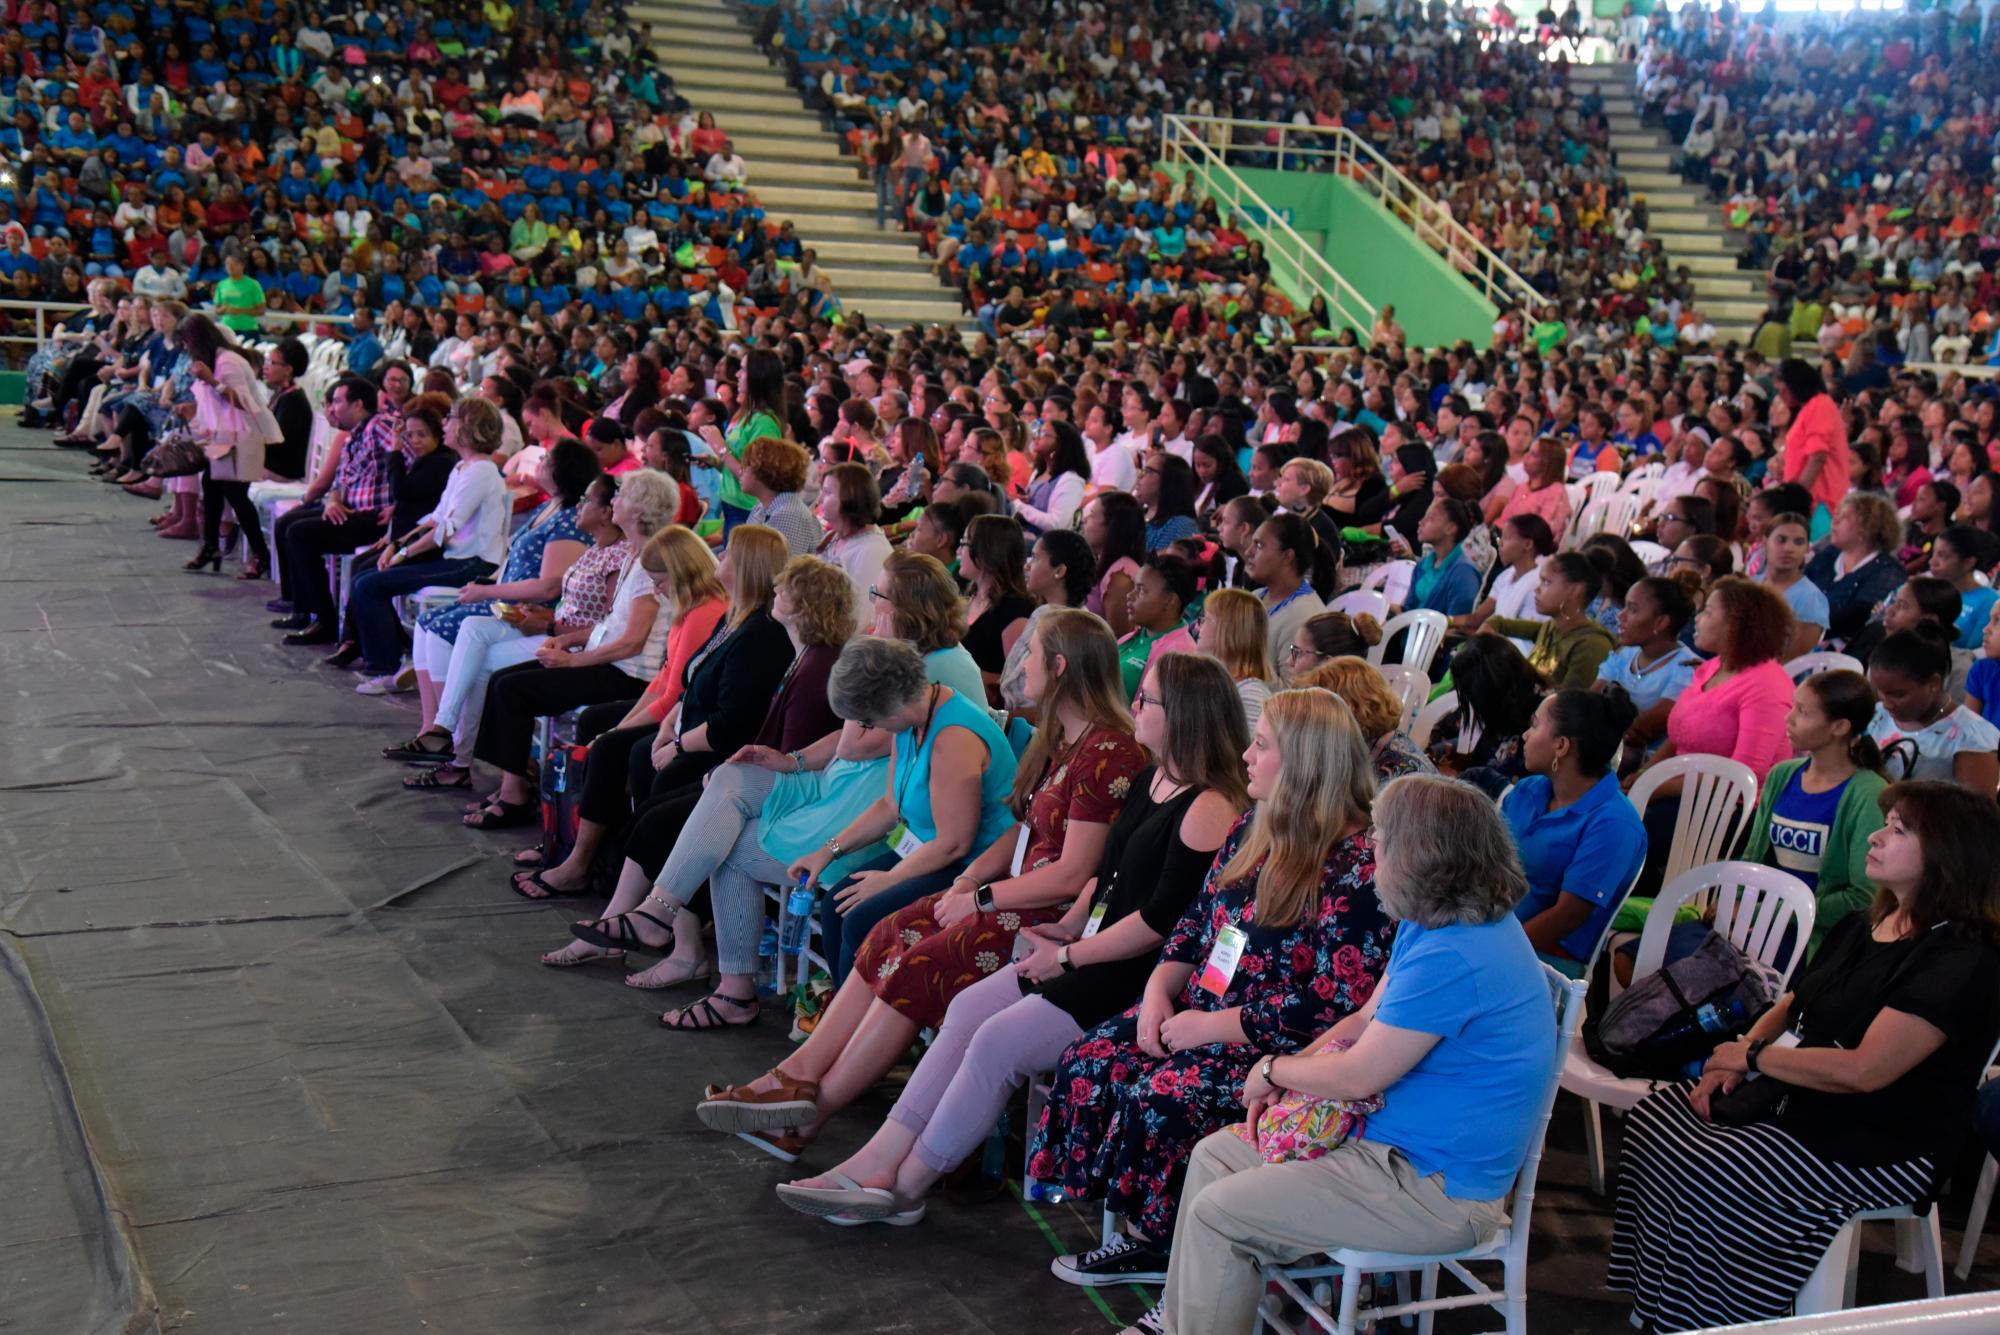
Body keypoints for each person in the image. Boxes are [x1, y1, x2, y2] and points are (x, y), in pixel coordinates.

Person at [769, 653, 1249, 1226]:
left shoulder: (1209, 805)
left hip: (1130, 975)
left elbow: (1159, 924)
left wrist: (1067, 954)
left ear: (1185, 717)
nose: (1136, 707)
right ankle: (878, 1158)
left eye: (1147, 701)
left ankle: (904, 1186)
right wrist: (1070, 924)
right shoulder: (1157, 776)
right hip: (1088, 947)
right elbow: (1109, 876)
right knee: (968, 1006)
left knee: (996, 1043)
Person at [693, 611, 1141, 1149]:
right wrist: (969, 884)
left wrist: (976, 892)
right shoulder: (1062, 740)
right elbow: (1021, 829)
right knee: (886, 935)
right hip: (1003, 888)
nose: (1020, 661)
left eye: (1033, 651)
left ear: (1061, 667)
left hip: (1045, 914)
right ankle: (793, 1077)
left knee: (914, 959)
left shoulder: (1109, 752)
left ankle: (809, 1113)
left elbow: (1071, 874)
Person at [1148, 775, 1557, 1335]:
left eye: (1383, 838)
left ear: (1423, 856)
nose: (1372, 848)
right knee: (1215, 1157)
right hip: (1387, 1147)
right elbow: (1360, 1019)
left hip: (1432, 1187)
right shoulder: (1442, 919)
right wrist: (1281, 1081)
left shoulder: (1458, 952)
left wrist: (1271, 1068)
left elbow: (1361, 1074)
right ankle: (1182, 1322)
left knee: (1220, 1215)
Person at [1027, 690, 1396, 1288]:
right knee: (1092, 1060)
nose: (1246, 754)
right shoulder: (1257, 822)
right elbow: (1197, 921)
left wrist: (1210, 1027)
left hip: (1276, 1047)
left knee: (1163, 1096)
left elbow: (1332, 1004)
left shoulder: (1357, 866)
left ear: (1302, 762)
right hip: (1199, 1007)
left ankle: (1167, 1245)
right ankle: (1143, 1232)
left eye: (1262, 744)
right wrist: (1157, 992)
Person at [1608, 782, 2000, 1333]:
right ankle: (1663, 1305)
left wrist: (1756, 1060)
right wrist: (1737, 1054)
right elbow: (1792, 1002)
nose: (1875, 836)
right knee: (1658, 1120)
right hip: (1805, 1095)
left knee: (1718, 1165)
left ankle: (1729, 1321)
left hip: (1883, 1138)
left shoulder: (1963, 958)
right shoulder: (1865, 922)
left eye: (1898, 829)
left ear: (1948, 854)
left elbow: (1866, 1071)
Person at [548, 555, 853, 982]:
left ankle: (664, 933)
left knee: (670, 817)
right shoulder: (798, 652)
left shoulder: (814, 662)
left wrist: (729, 770)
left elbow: (790, 751)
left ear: (806, 603)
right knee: (656, 807)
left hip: (795, 795)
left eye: (785, 588)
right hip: (775, 778)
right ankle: (640, 923)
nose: (776, 592)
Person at [516, 525, 793, 898]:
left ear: (745, 567)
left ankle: (604, 869)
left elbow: (727, 718)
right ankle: (584, 851)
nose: (721, 556)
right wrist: (664, 728)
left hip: (714, 741)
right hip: (688, 724)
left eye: (729, 553)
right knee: (609, 736)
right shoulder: (727, 617)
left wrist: (674, 742)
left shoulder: (749, 628)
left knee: (625, 751)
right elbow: (679, 682)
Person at [459, 471, 681, 829]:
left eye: (621, 497)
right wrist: (568, 639)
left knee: (512, 689)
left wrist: (572, 660)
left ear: (639, 510)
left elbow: (632, 642)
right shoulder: (631, 555)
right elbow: (614, 626)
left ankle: (516, 794)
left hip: (628, 675)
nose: (614, 503)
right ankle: (514, 783)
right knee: (502, 680)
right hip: (610, 661)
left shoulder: (648, 563)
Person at [398, 466, 624, 785]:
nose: (580, 504)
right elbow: (569, 603)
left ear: (605, 512)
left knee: (482, 665)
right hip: (556, 629)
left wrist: (550, 628)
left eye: (587, 500)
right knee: (473, 629)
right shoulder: (595, 549)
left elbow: (609, 624)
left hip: (574, 644)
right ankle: (442, 728)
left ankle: (461, 760)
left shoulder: (618, 556)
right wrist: (546, 618)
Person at [344, 397, 511, 691]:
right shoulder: (463, 467)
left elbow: (446, 529)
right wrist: (396, 544)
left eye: (451, 419)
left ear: (467, 428)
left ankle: (386, 667)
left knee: (369, 585)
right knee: (367, 579)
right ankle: (399, 657)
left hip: (474, 563)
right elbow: (434, 518)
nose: (445, 425)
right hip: (457, 559)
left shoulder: (482, 471)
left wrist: (404, 553)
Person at [1742, 669, 1888, 955]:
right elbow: (1754, 856)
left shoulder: (1869, 794)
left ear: (1839, 727)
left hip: (1817, 939)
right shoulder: (1782, 775)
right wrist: (1736, 904)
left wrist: (1770, 914)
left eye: (1803, 712)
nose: (1789, 718)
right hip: (1763, 920)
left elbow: (1863, 897)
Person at [1503, 689, 1649, 974]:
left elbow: (1567, 917)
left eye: (1534, 725)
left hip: (1545, 960)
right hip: (1492, 930)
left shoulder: (1615, 824)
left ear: (1561, 745)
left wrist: (1495, 951)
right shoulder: (1528, 790)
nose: (1525, 735)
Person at [178, 313, 281, 577]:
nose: (185, 348)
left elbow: (241, 402)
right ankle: (211, 546)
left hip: (244, 436)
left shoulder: (228, 363)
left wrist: (211, 380)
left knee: (236, 495)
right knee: (210, 486)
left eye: (187, 342)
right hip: (224, 436)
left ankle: (261, 556)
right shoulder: (212, 361)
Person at [1866, 624, 2000, 791]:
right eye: (1880, 691)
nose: (1886, 703)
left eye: (1898, 695)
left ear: (1933, 684)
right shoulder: (1876, 716)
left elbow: (1976, 814)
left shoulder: (1971, 740)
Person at [1595, 576, 1702, 764]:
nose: (1621, 615)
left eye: (1633, 609)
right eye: (1625, 606)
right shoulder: (1624, 653)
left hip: (1650, 765)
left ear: (1660, 622)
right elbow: (1590, 702)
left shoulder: (1687, 668)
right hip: (1608, 748)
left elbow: (1642, 730)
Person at [1426, 634, 1544, 795]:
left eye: (1470, 694)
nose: (1469, 702)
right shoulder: (1504, 707)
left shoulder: (1539, 722)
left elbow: (1512, 790)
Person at [870, 550, 987, 707]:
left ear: (906, 611)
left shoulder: (934, 668)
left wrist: (880, 656)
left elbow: (868, 722)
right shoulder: (929, 652)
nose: (873, 601)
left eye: (877, 594)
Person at [1295, 656, 1438, 783]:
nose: (1311, 724)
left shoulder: (1399, 775)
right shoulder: (1372, 746)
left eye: (1318, 714)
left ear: (1349, 710)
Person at [1485, 551, 1617, 689]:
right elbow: (1496, 623)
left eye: (1546, 582)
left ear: (1574, 590)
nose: (1537, 589)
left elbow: (1565, 703)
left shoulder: (1592, 645)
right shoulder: (1551, 627)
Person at [1000, 529, 1094, 715]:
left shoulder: (1071, 627)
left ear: (1059, 571)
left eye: (1035, 558)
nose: (1027, 566)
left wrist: (1003, 718)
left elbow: (1054, 706)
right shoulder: (1044, 613)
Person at [1804, 493, 1906, 647]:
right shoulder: (1829, 554)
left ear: (1866, 528)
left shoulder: (1887, 572)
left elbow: (1854, 617)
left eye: (1844, 517)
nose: (1835, 521)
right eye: (1837, 515)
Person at [959, 514, 1035, 705]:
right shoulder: (971, 595)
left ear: (986, 551)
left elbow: (1017, 684)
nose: (959, 550)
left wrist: (959, 669)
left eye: (965, 542)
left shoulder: (1014, 610)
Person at [1777, 355, 1851, 541]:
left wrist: (1797, 498)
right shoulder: (1812, 407)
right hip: (1811, 501)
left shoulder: (1820, 406)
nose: (1780, 395)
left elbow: (1818, 456)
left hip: (1819, 503)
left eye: (1782, 388)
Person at [814, 462, 893, 631]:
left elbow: (861, 620)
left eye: (827, 492)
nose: (820, 499)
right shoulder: (837, 535)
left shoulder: (871, 550)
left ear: (850, 498)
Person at [1453, 513, 1555, 638]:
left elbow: (1524, 635)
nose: (1500, 543)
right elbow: (1476, 619)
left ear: (1527, 544)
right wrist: (1443, 621)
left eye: (1506, 538)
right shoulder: (1505, 576)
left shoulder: (1538, 582)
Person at [1248, 512, 1329, 663]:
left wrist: (1237, 664)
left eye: (1259, 545)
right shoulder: (1256, 596)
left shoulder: (1303, 617)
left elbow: (1293, 685)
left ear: (1287, 556)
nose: (1249, 552)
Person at [1118, 552, 1200, 699]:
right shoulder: (1136, 636)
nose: (1129, 595)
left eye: (1141, 590)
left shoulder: (1179, 656)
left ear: (1170, 601)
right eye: (1134, 587)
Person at [1192, 587, 1275, 729]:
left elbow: (1246, 750)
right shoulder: (1219, 682)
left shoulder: (1250, 696)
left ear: (1227, 630)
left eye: (1204, 619)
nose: (1197, 627)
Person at [1757, 510, 1831, 660]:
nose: (1789, 549)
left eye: (1798, 542)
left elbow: (1791, 659)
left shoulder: (1810, 598)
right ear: (1765, 542)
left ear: (1807, 549)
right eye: (1781, 540)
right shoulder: (1750, 584)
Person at [738, 436, 822, 555]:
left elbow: (783, 570)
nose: (740, 472)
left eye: (746, 467)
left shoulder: (789, 514)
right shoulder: (761, 507)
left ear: (765, 471)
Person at [1083, 492, 1148, 640]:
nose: (1085, 520)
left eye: (1092, 515)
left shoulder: (1120, 577)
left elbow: (1118, 639)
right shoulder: (1104, 561)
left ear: (1111, 526)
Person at [1406, 496, 1483, 617]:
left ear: (1450, 528)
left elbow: (1458, 624)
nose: (1421, 522)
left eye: (1430, 519)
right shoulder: (1424, 564)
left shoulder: (1464, 573)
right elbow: (1408, 608)